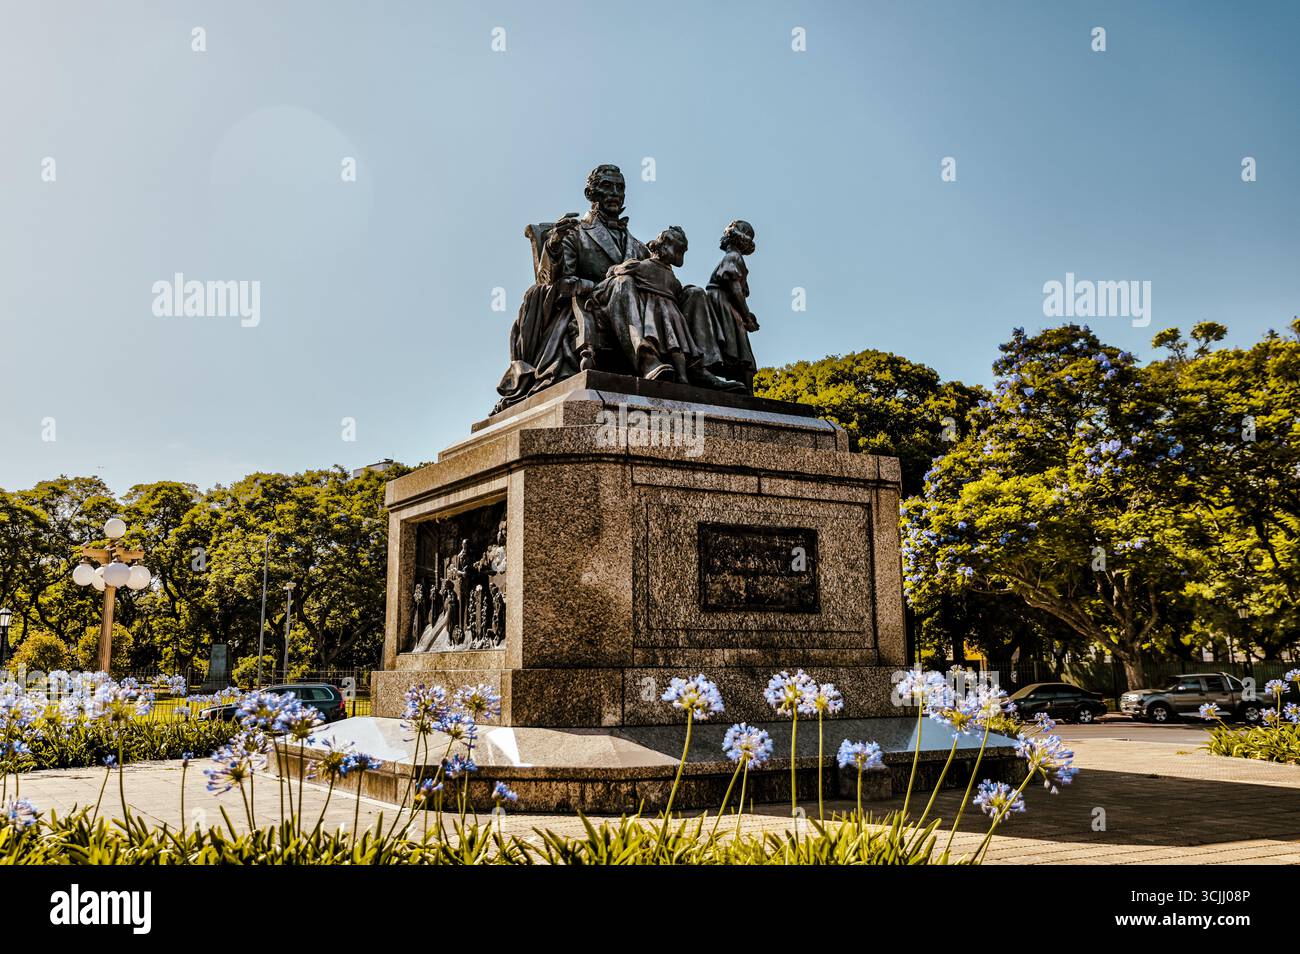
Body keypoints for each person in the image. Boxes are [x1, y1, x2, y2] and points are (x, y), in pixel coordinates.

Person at [680, 220, 760, 391]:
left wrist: (745, 314)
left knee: (738, 346)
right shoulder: (734, 257)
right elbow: (735, 289)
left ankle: (746, 390)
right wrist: (746, 315)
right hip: (724, 304)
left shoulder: (733, 257)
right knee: (739, 348)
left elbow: (735, 288)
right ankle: (747, 391)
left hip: (725, 303)